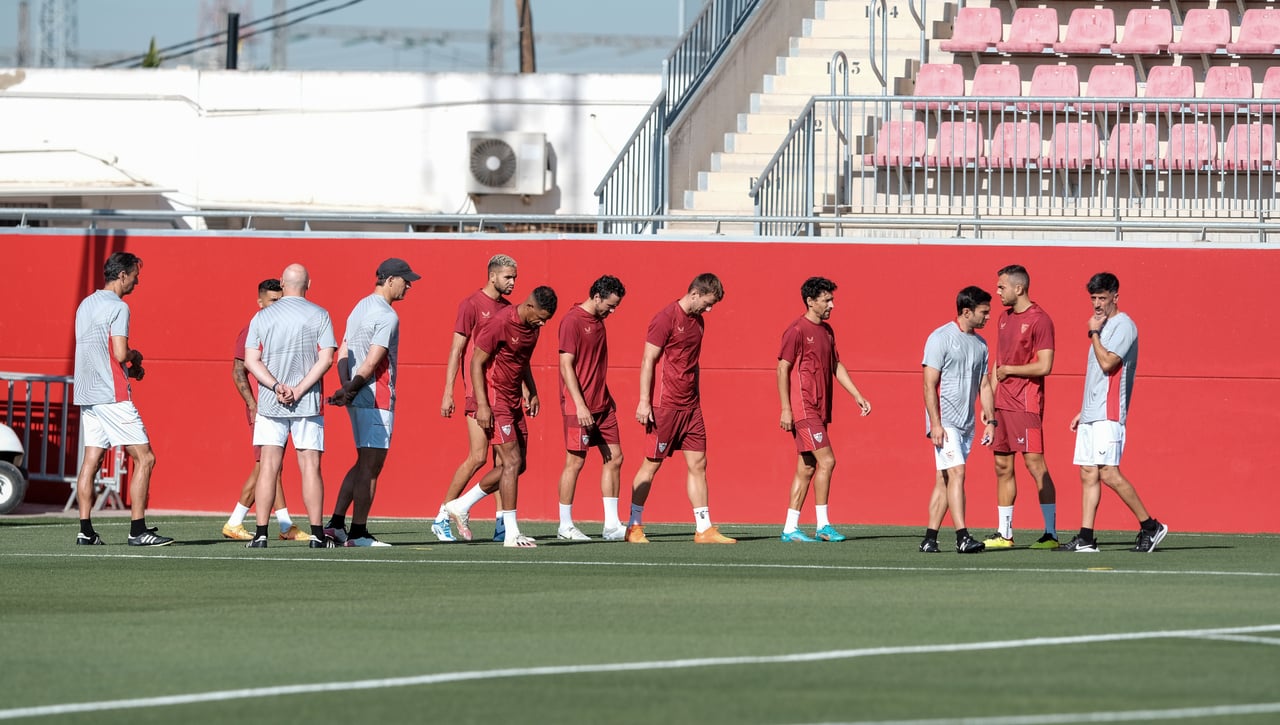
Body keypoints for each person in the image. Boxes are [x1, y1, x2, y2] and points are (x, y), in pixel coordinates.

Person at [1058, 272, 1168, 553]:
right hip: (1093, 413)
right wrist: (1083, 411)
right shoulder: (1103, 325)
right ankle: (1085, 537)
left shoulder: (1123, 326)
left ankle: (1150, 526)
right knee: (1087, 472)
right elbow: (1096, 376)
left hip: (1109, 413)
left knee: (1108, 472)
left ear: (1115, 297)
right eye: (1093, 298)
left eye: (1102, 298)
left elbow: (1107, 363)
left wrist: (1093, 332)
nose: (1097, 304)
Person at [443, 287, 558, 548]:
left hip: (515, 400)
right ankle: (510, 533)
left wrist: (532, 391)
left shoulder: (534, 328)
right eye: (540, 317)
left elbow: (522, 361)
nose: (543, 323)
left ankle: (461, 504)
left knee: (519, 465)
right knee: (511, 461)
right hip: (495, 400)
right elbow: (475, 363)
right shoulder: (500, 322)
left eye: (547, 319)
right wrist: (482, 405)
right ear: (529, 306)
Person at [625, 273, 735, 545]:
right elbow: (648, 360)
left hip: (690, 406)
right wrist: (643, 400)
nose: (708, 309)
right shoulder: (665, 318)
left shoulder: (699, 322)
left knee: (699, 464)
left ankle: (704, 528)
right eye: (707, 303)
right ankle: (634, 526)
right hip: (665, 405)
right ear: (695, 293)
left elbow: (693, 362)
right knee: (651, 464)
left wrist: (695, 396)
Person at [71, 252, 172, 546]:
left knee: (92, 459)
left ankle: (85, 530)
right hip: (111, 394)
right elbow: (118, 353)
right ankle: (138, 530)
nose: (137, 282)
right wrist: (136, 356)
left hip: (87, 393)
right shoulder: (119, 307)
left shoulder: (85, 304)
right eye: (135, 276)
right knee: (146, 458)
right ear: (123, 275)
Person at [323, 258, 420, 547]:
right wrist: (351, 387)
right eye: (405, 280)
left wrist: (346, 387)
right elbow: (373, 358)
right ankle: (358, 533)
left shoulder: (359, 307)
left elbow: (343, 351)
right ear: (390, 280)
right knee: (371, 468)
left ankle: (337, 525)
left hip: (357, 393)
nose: (409, 285)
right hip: (374, 395)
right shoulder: (387, 315)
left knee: (363, 462)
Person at [242, 263, 337, 549]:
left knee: (269, 466)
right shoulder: (320, 314)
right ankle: (318, 534)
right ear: (310, 284)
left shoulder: (263, 316)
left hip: (271, 402)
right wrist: (299, 389)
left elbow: (251, 360)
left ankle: (260, 534)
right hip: (306, 402)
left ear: (282, 283)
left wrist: (274, 386)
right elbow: (327, 359)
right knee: (310, 466)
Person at [776, 277, 872, 543]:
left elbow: (835, 365)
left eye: (832, 299)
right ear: (810, 301)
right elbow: (782, 368)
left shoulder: (827, 331)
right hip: (804, 407)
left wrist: (857, 395)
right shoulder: (796, 330)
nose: (832, 304)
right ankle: (823, 525)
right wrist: (786, 408)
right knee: (827, 461)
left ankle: (789, 528)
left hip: (820, 407)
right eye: (827, 300)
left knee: (806, 467)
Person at [435, 254, 518, 542]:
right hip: (477, 393)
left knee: (503, 462)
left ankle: (501, 524)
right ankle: (443, 515)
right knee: (478, 457)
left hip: (502, 394)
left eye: (515, 277)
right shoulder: (471, 304)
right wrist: (449, 392)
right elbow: (456, 350)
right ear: (492, 275)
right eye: (508, 277)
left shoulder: (508, 309)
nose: (512, 282)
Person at [222, 278, 310, 542]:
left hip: (282, 405)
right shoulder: (252, 328)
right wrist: (252, 404)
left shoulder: (282, 326)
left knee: (272, 466)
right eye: (272, 301)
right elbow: (238, 369)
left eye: (280, 300)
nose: (277, 305)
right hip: (263, 408)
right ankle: (239, 521)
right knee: (266, 465)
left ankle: (283, 525)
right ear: (260, 302)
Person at [982, 265, 1060, 550]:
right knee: (1002, 466)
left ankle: (1050, 534)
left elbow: (1045, 365)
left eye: (1002, 286)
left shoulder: (1040, 320)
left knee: (1035, 464)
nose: (997, 291)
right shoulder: (1002, 318)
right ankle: (1005, 534)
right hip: (1001, 404)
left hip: (1025, 403)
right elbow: (997, 363)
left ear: (1019, 288)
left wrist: (1010, 371)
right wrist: (989, 400)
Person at [919, 286, 995, 554]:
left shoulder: (981, 344)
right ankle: (963, 536)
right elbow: (929, 385)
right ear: (967, 311)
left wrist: (991, 420)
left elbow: (984, 385)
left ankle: (929, 539)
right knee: (957, 473)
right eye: (984, 312)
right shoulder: (940, 338)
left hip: (967, 424)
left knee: (945, 480)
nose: (988, 317)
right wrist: (935, 424)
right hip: (945, 422)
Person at [555, 275, 627, 541]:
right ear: (597, 297)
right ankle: (565, 526)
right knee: (575, 462)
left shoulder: (599, 321)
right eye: (610, 305)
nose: (613, 311)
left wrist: (605, 395)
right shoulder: (572, 321)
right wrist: (580, 404)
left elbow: (594, 364)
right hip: (579, 406)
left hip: (602, 404)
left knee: (615, 458)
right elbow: (566, 366)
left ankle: (611, 526)